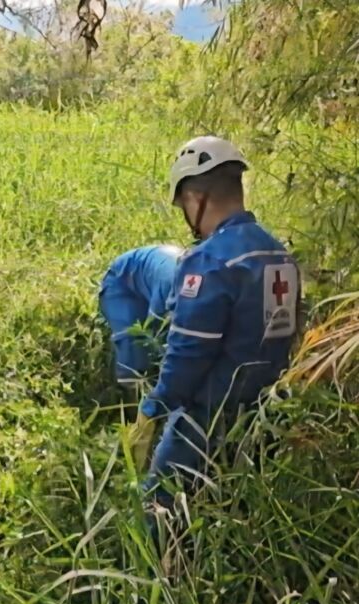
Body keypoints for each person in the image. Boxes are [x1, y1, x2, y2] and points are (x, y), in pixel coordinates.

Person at [130, 136, 301, 517]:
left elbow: (188, 354)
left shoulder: (210, 261)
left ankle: (163, 576)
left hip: (207, 421)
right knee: (240, 516)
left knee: (159, 513)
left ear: (194, 197)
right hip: (264, 416)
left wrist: (152, 409)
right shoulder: (278, 254)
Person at [99, 244, 184, 390]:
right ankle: (128, 401)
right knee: (134, 358)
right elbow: (157, 334)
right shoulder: (170, 292)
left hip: (152, 275)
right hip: (121, 283)